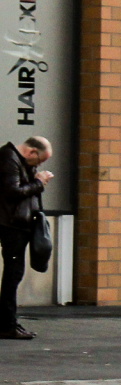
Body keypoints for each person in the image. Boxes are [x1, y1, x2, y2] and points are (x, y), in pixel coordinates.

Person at [0, 136, 51, 340]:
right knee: (13, 274)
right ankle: (7, 324)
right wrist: (38, 183)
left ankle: (9, 322)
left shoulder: (17, 161)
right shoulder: (8, 158)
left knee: (14, 274)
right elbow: (12, 192)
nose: (39, 165)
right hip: (10, 225)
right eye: (39, 161)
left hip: (16, 224)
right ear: (31, 152)